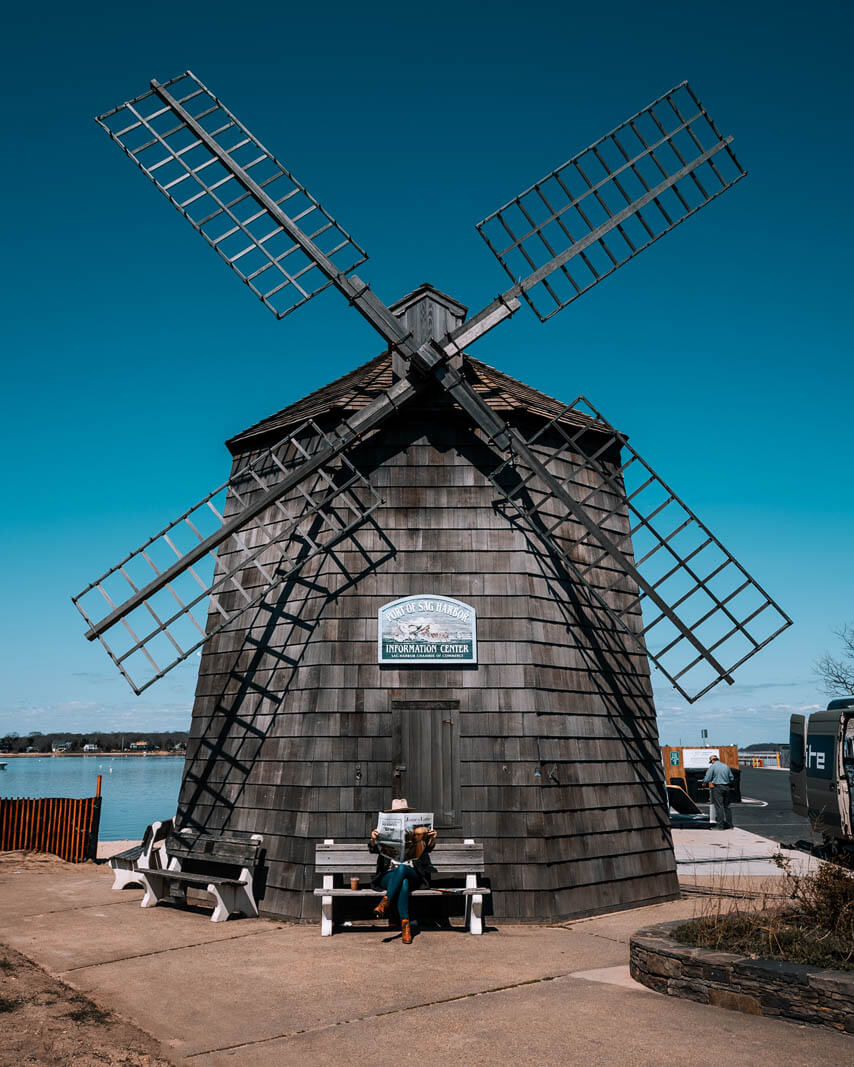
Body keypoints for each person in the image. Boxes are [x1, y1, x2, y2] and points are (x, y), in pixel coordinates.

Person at [369, 798, 437, 944]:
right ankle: (406, 926)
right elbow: (372, 848)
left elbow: (429, 848)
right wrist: (374, 839)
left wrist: (432, 839)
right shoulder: (383, 829)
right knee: (403, 882)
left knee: (403, 869)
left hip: (413, 873)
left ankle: (385, 902)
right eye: (397, 813)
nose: (401, 815)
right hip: (388, 874)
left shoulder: (416, 831)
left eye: (403, 813)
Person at [702, 754, 734, 829]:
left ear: (712, 760)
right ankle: (730, 825)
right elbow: (731, 777)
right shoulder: (726, 766)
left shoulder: (713, 766)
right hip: (727, 787)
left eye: (711, 761)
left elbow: (708, 777)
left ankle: (720, 825)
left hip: (718, 787)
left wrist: (704, 782)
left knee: (719, 807)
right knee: (727, 807)